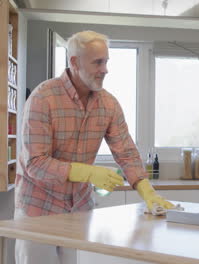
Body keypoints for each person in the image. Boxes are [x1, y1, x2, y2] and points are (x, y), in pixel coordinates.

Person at [15, 30, 174, 264]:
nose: (105, 69)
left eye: (106, 61)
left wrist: (147, 191)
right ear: (74, 62)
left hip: (80, 210)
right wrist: (87, 172)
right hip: (38, 209)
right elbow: (35, 164)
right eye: (97, 62)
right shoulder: (43, 98)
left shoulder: (108, 104)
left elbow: (126, 152)